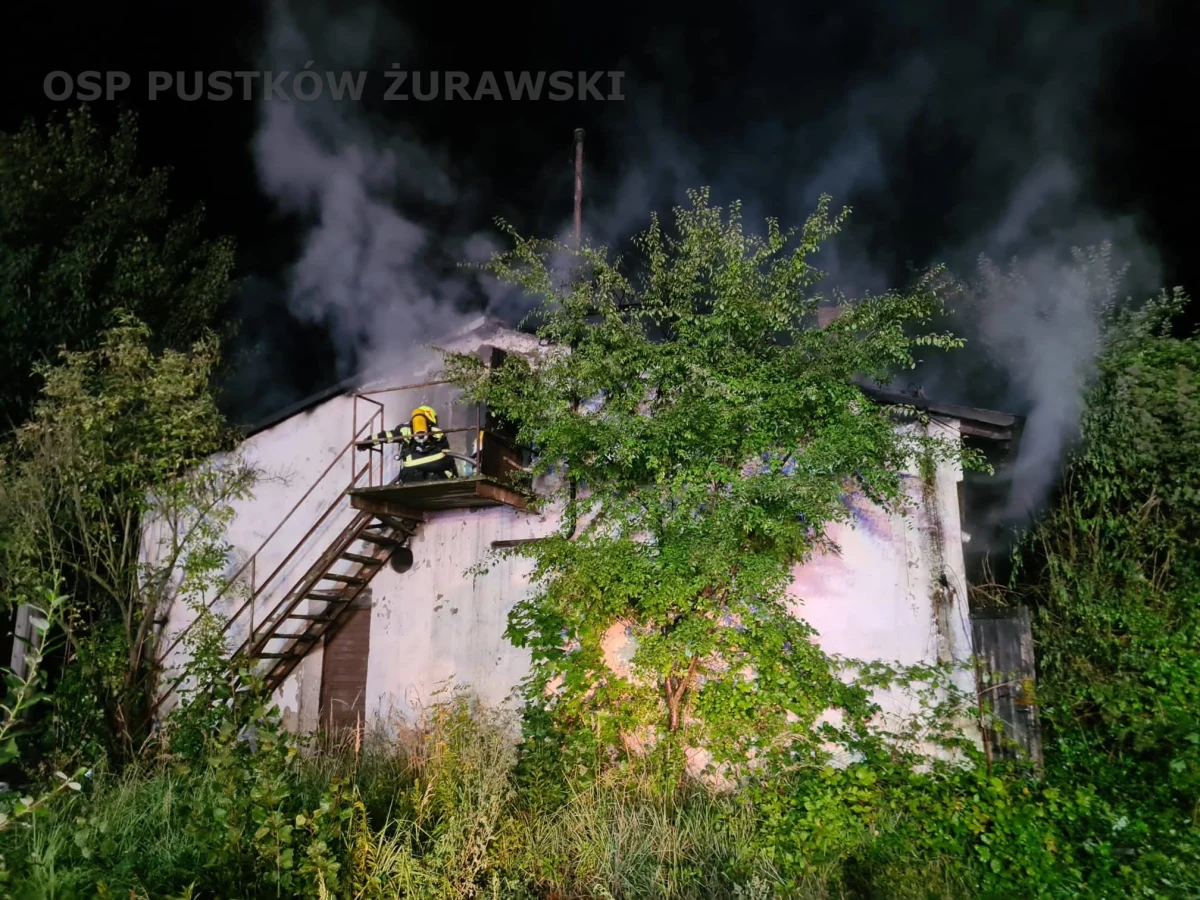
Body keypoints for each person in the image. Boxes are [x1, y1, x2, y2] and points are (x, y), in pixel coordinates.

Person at [357, 405, 456, 483]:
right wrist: (455, 475)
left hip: (411, 469)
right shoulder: (438, 431)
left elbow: (386, 436)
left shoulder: (404, 429)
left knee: (408, 474)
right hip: (436, 468)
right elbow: (448, 456)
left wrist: (367, 442)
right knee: (446, 463)